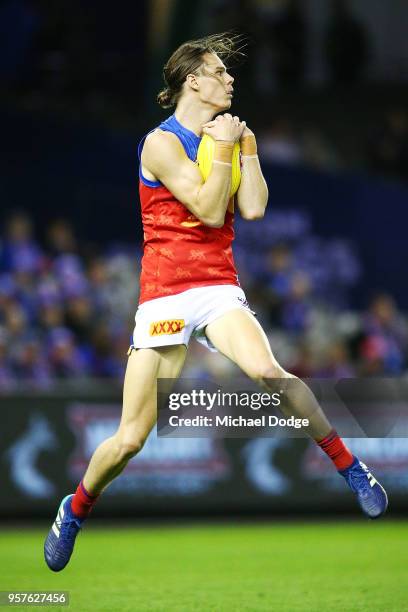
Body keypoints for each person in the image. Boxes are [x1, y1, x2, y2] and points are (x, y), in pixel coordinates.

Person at [44, 33, 387, 572]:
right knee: (131, 439)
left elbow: (250, 208)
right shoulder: (161, 143)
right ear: (192, 80)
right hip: (164, 297)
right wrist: (228, 147)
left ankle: (350, 466)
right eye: (220, 71)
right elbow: (206, 209)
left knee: (269, 371)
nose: (230, 79)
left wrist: (244, 148)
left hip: (217, 287)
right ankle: (76, 507)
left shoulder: (235, 132)